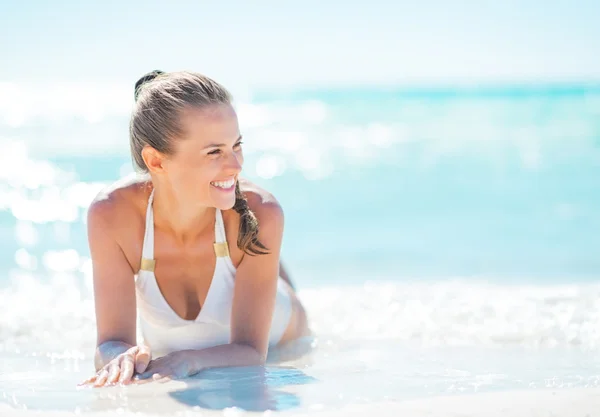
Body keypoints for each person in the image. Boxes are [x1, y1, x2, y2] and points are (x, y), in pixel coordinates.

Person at [81, 70, 310, 388]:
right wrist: (119, 358)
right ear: (156, 161)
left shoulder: (263, 212)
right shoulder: (113, 215)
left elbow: (251, 352)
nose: (236, 165)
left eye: (237, 145)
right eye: (214, 151)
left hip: (281, 335)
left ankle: (261, 265)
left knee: (253, 232)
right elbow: (111, 341)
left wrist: (190, 359)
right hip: (181, 339)